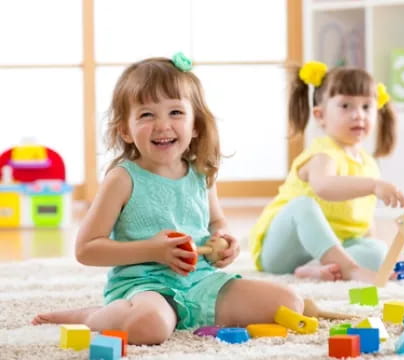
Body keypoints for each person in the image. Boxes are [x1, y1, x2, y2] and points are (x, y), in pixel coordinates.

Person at [32, 53, 303, 345]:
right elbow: (86, 249)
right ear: (125, 129)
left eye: (175, 112)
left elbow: (216, 220)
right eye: (147, 115)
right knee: (149, 328)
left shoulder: (201, 172)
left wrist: (223, 240)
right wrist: (153, 250)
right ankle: (94, 316)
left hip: (201, 281)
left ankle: (185, 313)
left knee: (289, 302)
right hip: (146, 286)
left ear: (196, 124)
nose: (163, 125)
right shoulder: (122, 179)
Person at [250, 61, 404, 283]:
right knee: (302, 205)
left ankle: (318, 269)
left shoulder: (368, 164)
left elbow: (365, 221)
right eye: (346, 106)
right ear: (320, 115)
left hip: (331, 249)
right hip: (283, 250)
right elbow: (324, 187)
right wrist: (373, 186)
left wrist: (372, 249)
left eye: (366, 107)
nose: (358, 115)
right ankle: (347, 269)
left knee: (378, 251)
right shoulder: (324, 152)